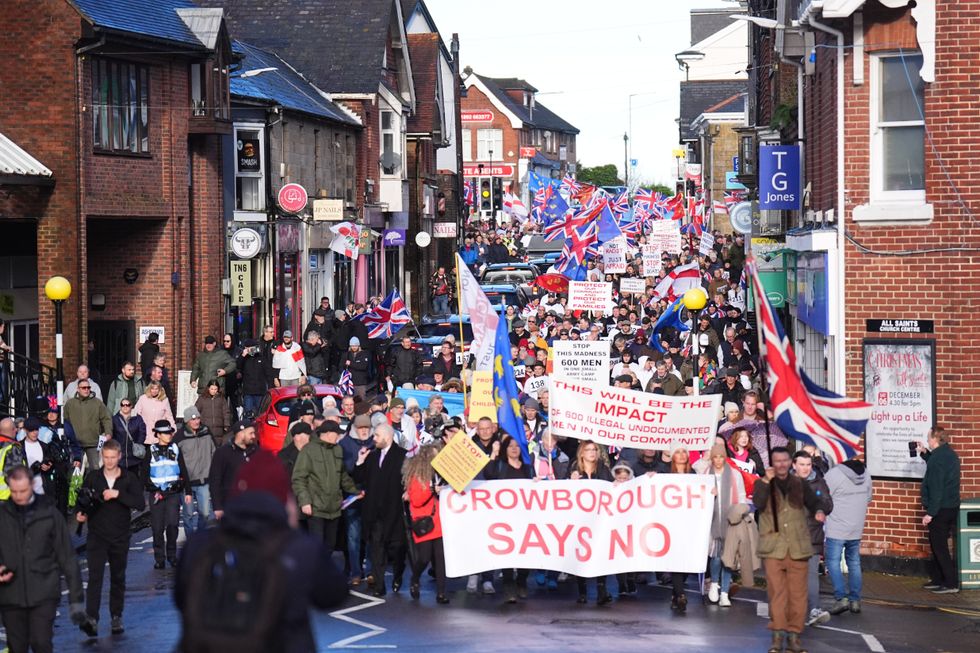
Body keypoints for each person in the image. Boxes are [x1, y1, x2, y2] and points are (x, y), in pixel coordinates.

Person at [175, 449, 348, 652]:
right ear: (284, 499)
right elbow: (333, 594)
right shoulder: (300, 549)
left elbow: (181, 599)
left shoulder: (199, 546)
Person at [0, 467, 86, 652]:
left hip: (43, 593)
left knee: (41, 643)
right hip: (11, 595)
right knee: (17, 647)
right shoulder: (3, 515)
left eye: (23, 491)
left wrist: (76, 600)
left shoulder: (49, 514)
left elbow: (67, 558)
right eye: (14, 492)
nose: (19, 496)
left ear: (32, 485)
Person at [753, 447, 826, 653]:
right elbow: (758, 502)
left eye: (785, 460)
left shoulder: (800, 485)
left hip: (798, 547)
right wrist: (767, 481)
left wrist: (819, 511)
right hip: (773, 548)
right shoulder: (763, 483)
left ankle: (794, 638)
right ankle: (777, 638)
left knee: (797, 595)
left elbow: (816, 502)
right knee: (777, 594)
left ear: (790, 463)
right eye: (777, 461)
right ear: (772, 463)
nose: (781, 464)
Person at [75, 439, 145, 636]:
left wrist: (118, 494)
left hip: (120, 535)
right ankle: (92, 618)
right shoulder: (94, 478)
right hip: (97, 535)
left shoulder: (128, 478)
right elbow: (83, 500)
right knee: (95, 578)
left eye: (113, 457)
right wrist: (80, 513)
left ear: (119, 456)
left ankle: (116, 616)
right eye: (106, 458)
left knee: (117, 577)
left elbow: (139, 503)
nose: (110, 461)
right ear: (102, 457)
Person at [352, 424, 407, 597]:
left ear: (387, 436)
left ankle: (398, 575)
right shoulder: (372, 456)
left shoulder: (402, 456)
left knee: (397, 548)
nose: (373, 438)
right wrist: (360, 461)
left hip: (395, 511)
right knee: (377, 548)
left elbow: (408, 480)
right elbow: (359, 478)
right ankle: (380, 584)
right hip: (374, 512)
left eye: (376, 435)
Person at [292, 421, 360, 556]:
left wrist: (355, 491)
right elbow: (299, 478)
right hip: (316, 508)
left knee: (330, 545)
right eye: (337, 434)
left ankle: (322, 573)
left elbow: (343, 476)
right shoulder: (309, 450)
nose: (338, 437)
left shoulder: (337, 449)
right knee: (317, 546)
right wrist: (305, 501)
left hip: (334, 507)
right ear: (328, 434)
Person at [485, 434, 535, 603]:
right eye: (510, 446)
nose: (514, 448)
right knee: (507, 551)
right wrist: (494, 453)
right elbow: (488, 474)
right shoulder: (500, 466)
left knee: (525, 551)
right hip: (505, 518)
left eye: (516, 446)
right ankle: (508, 584)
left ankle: (521, 580)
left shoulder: (527, 468)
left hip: (525, 516)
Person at [823, 456, 871, 615]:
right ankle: (855, 600)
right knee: (854, 562)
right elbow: (869, 497)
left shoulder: (834, 474)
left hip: (837, 526)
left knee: (832, 562)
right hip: (856, 527)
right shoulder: (865, 473)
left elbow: (822, 496)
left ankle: (841, 598)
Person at [702, 443, 747, 608]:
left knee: (729, 558)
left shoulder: (735, 474)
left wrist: (740, 514)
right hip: (712, 521)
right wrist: (708, 493)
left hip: (731, 520)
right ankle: (714, 584)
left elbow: (742, 496)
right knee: (715, 556)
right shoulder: (706, 474)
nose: (718, 460)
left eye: (721, 456)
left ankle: (725, 592)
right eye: (715, 457)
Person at [567, 440, 613, 606]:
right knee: (581, 553)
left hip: (599, 519)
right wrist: (570, 482)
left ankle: (601, 589)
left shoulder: (603, 469)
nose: (592, 452)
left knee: (600, 553)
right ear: (582, 453)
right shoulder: (574, 470)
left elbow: (612, 489)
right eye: (588, 450)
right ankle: (582, 591)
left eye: (594, 449)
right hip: (580, 520)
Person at [403, 443, 450, 604]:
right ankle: (415, 577)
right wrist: (432, 491)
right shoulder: (417, 476)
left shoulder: (441, 474)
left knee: (440, 557)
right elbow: (416, 501)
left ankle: (441, 593)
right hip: (424, 521)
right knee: (424, 557)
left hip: (440, 519)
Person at [917, 427, 961, 594]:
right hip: (950, 506)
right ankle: (938, 579)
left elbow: (936, 488)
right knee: (938, 544)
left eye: (929, 438)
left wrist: (930, 514)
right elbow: (939, 469)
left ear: (935, 439)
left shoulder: (938, 459)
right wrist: (925, 454)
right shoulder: (948, 454)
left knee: (939, 546)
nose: (927, 440)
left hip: (940, 509)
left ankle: (950, 583)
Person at [792, 450, 834, 625]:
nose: (805, 468)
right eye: (802, 464)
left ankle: (814, 609)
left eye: (808, 465)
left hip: (812, 535)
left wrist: (820, 509)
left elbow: (828, 503)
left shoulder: (818, 482)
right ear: (794, 465)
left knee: (811, 575)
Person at [143, 420, 191, 569]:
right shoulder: (150, 450)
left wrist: (187, 490)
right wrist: (148, 487)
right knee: (157, 528)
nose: (169, 435)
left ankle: (171, 556)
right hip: (156, 494)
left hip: (173, 493)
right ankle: (159, 558)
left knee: (173, 525)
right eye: (165, 433)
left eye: (170, 432)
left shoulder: (175, 449)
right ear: (157, 434)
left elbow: (183, 470)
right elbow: (144, 473)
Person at [175, 407, 216, 535]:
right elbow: (174, 458)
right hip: (186, 481)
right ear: (187, 421)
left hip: (204, 479)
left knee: (205, 513)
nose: (196, 421)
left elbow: (214, 451)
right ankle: (190, 542)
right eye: (193, 419)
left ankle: (199, 540)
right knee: (188, 514)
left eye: (198, 418)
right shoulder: (179, 437)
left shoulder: (206, 432)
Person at [209, 419, 258, 521]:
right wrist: (217, 506)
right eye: (251, 433)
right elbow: (215, 481)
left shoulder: (256, 452)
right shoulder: (223, 453)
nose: (254, 436)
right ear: (240, 433)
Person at [665, 447, 694, 612]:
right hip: (671, 523)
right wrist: (651, 478)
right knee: (677, 559)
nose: (682, 455)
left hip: (690, 523)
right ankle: (681, 594)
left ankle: (675, 594)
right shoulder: (665, 475)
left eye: (685, 452)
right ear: (672, 456)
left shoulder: (695, 475)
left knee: (687, 560)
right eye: (678, 452)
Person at [62, 378, 112, 470]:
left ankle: (93, 485)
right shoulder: (70, 404)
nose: (86, 390)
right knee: (75, 472)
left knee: (95, 470)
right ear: (78, 389)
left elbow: (106, 418)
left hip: (93, 442)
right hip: (75, 444)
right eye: (83, 388)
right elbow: (65, 421)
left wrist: (108, 433)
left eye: (88, 387)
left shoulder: (97, 403)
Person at [19, 418, 55, 498]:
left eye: (37, 429)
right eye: (31, 430)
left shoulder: (44, 446)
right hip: (25, 492)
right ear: (25, 430)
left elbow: (51, 461)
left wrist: (49, 466)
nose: (35, 433)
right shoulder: (19, 447)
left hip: (43, 491)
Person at [112, 396, 147, 476]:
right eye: (123, 405)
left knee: (133, 478)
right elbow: (112, 434)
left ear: (131, 406)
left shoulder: (138, 418)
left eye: (127, 405)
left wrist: (138, 444)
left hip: (134, 455)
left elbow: (143, 432)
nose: (125, 407)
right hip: (120, 455)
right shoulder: (114, 419)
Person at [238, 338, 272, 418]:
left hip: (260, 391)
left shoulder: (261, 358)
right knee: (248, 414)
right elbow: (238, 365)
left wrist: (270, 387)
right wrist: (243, 355)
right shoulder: (244, 359)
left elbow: (268, 373)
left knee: (261, 414)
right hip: (248, 392)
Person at [194, 380, 232, 446]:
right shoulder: (202, 399)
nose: (213, 391)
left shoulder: (221, 398)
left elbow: (226, 412)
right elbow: (195, 411)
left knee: (217, 447)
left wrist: (226, 425)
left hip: (219, 428)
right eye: (212, 389)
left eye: (215, 389)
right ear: (208, 388)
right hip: (205, 427)